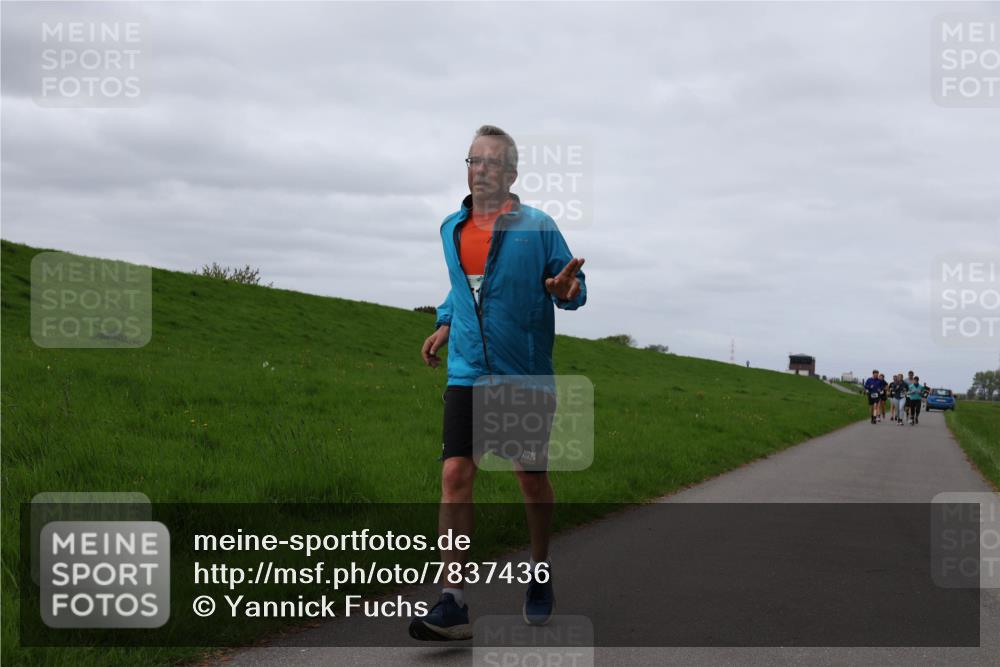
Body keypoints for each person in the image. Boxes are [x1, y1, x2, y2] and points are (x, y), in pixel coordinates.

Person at [411, 125, 587, 641]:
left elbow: (572, 287)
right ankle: (453, 601)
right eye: (473, 160)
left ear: (510, 174)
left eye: (490, 162)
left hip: (522, 373)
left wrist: (565, 289)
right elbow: (462, 285)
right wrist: (445, 321)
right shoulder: (451, 228)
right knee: (455, 476)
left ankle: (538, 570)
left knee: (528, 478)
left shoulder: (538, 226)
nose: (480, 168)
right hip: (467, 370)